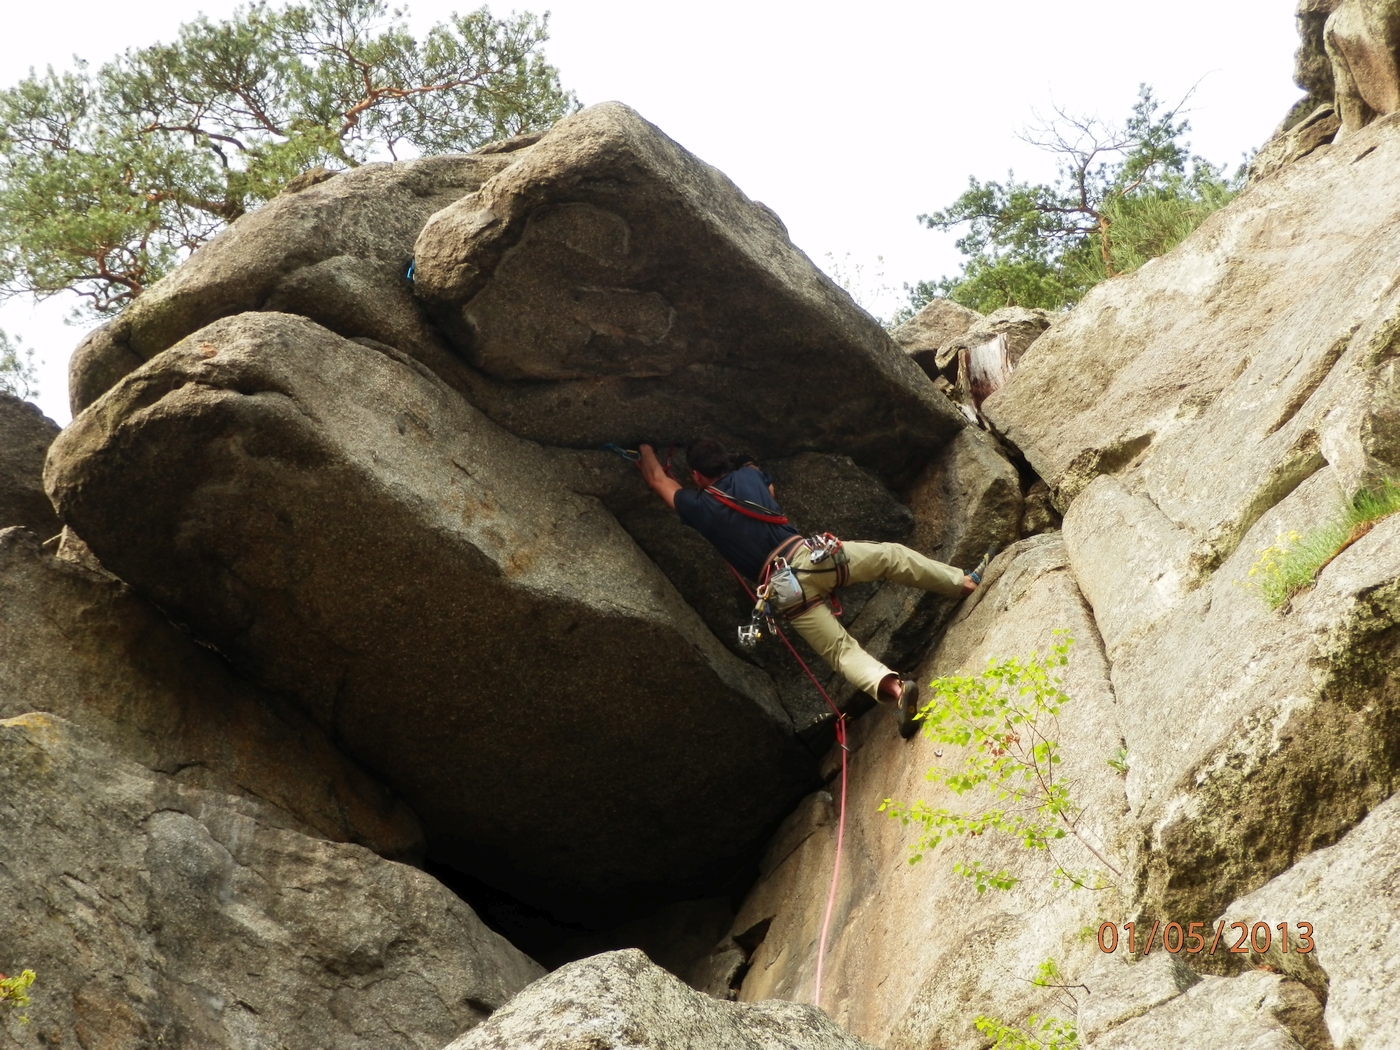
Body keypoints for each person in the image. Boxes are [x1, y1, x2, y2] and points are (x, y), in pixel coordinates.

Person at [637, 438, 977, 738]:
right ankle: (962, 583)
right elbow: (770, 496)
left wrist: (645, 447)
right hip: (814, 557)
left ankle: (897, 689)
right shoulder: (749, 477)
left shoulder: (697, 507)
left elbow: (656, 478)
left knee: (841, 652)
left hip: (782, 589)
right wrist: (750, 466)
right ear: (727, 462)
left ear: (696, 476)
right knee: (891, 556)